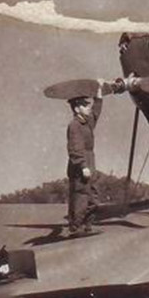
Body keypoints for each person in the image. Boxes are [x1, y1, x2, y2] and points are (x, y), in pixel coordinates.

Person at [66, 91, 104, 234]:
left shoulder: (87, 123)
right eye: (84, 105)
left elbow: (95, 113)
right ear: (77, 109)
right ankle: (76, 227)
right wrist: (83, 166)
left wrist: (99, 95)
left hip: (89, 159)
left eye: (88, 104)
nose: (88, 107)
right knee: (81, 195)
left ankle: (88, 225)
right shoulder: (74, 125)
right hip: (80, 162)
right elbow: (75, 148)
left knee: (93, 195)